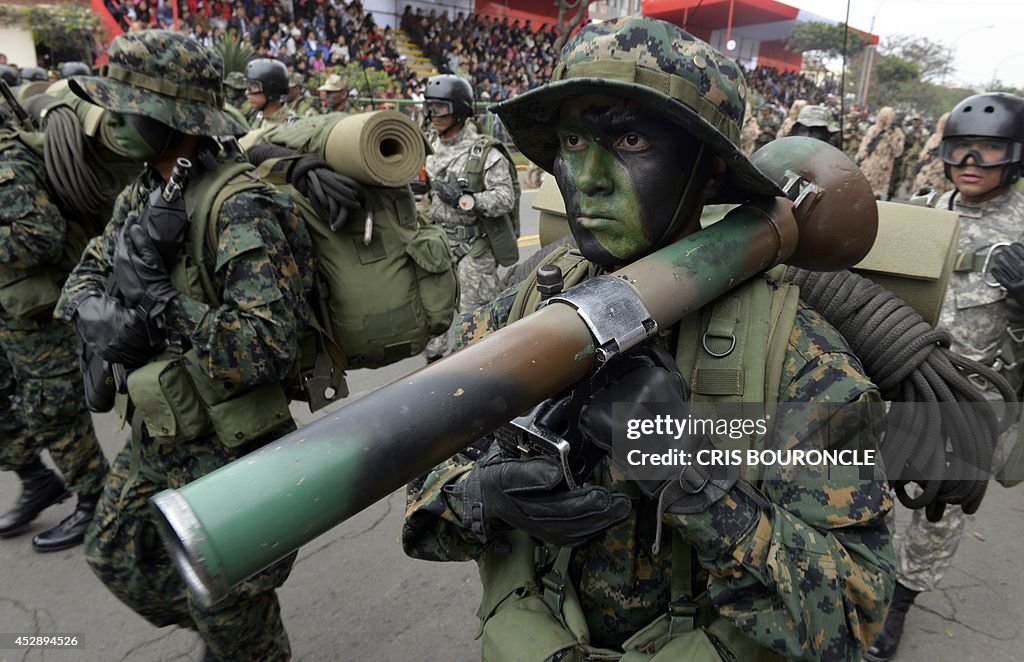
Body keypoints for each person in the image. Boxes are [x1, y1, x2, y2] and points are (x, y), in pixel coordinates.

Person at [403, 16, 894, 660]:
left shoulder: (796, 360)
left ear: (712, 172)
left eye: (630, 140)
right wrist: (480, 497)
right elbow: (420, 487)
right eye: (573, 140)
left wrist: (689, 476)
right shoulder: (523, 309)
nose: (589, 177)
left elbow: (854, 613)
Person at [57, 30, 318, 660]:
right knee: (114, 556)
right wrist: (109, 319)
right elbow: (80, 284)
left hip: (231, 449)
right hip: (161, 430)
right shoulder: (144, 192)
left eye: (127, 106)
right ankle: (224, 627)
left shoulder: (240, 206)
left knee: (233, 609)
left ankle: (236, 634)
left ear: (172, 119)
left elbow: (266, 347)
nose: (113, 119)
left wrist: (161, 303)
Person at [866, 93, 1024, 662]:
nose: (972, 161)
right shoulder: (922, 211)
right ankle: (862, 578)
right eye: (961, 148)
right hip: (899, 381)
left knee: (939, 509)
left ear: (1015, 156)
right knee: (866, 486)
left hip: (969, 401)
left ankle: (900, 604)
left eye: (989, 150)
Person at [0, 88, 135, 552]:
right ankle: (37, 478)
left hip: (36, 315)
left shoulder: (7, 161)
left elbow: (39, 237)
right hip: (8, 310)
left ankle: (95, 498)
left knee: (54, 410)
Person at [420, 74, 515, 363]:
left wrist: (466, 200)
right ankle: (434, 373)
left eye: (440, 108)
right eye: (430, 107)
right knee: (433, 320)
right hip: (438, 246)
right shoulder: (428, 148)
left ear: (459, 111)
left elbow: (505, 198)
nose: (433, 114)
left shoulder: (484, 152)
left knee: (476, 327)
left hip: (475, 250)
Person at [856, 107, 905, 200]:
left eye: (887, 116)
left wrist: (890, 137)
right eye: (883, 116)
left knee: (877, 193)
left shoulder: (896, 133)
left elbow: (898, 152)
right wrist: (861, 155)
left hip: (884, 166)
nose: (884, 119)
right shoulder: (873, 129)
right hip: (868, 163)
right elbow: (864, 144)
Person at [244, 57, 293, 129]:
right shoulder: (256, 115)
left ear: (271, 90)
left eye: (253, 87)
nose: (246, 93)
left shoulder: (289, 125)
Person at [912, 112, 952, 199]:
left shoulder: (953, 141)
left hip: (940, 178)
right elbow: (923, 155)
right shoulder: (935, 137)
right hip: (930, 175)